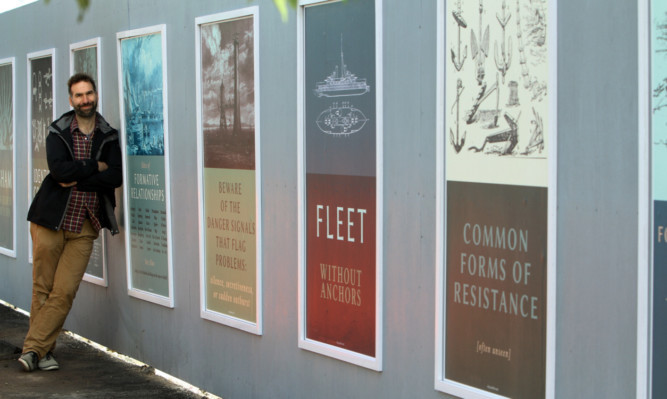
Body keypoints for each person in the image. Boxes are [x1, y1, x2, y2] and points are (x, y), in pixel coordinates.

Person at [18, 73, 122, 371]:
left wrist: (80, 177)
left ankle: (32, 350)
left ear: (96, 95)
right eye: (79, 95)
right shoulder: (58, 131)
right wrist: (93, 166)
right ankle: (42, 352)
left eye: (89, 93)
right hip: (50, 220)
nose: (85, 100)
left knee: (64, 291)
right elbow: (59, 172)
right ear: (70, 99)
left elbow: (115, 176)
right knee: (43, 288)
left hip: (86, 225)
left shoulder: (108, 135)